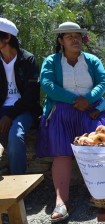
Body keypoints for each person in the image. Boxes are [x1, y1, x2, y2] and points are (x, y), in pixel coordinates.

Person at [36, 22, 105, 223]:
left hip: (90, 109)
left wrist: (89, 98)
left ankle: (102, 193)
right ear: (61, 41)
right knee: (62, 152)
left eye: (78, 36)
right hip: (62, 109)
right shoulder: (51, 61)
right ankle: (61, 200)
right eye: (69, 37)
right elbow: (48, 85)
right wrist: (74, 100)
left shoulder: (92, 61)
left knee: (98, 146)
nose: (75, 40)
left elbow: (102, 82)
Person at [0, 17, 41, 175]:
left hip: (25, 110)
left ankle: (17, 184)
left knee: (16, 136)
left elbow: (31, 96)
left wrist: (9, 115)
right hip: (3, 108)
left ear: (7, 37)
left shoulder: (27, 60)